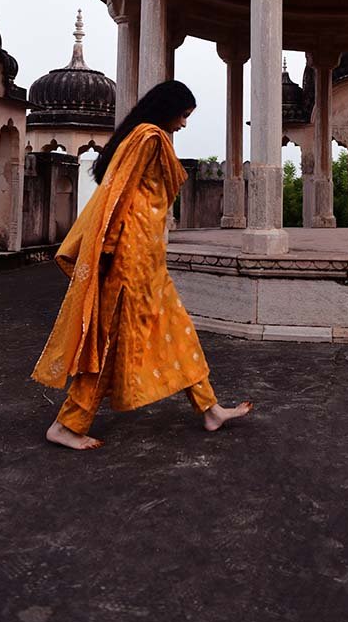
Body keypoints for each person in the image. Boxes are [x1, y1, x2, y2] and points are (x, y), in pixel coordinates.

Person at [31, 79, 253, 450]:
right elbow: (118, 192)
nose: (183, 125)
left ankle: (209, 408)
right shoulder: (148, 138)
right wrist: (107, 249)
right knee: (112, 339)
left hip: (147, 256)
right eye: (182, 116)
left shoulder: (144, 136)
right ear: (167, 110)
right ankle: (68, 423)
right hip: (129, 259)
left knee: (178, 330)